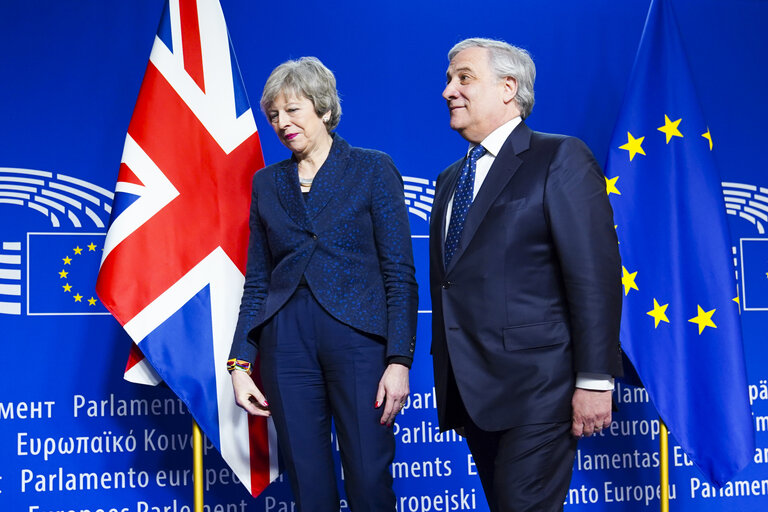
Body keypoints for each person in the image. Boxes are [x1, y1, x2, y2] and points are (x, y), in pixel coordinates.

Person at [429, 38, 622, 512]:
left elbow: (594, 275)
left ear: (508, 87)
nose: (448, 90)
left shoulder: (560, 157)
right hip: (472, 389)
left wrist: (595, 378)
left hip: (540, 389)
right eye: (449, 78)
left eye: (464, 78)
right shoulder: (450, 178)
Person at [228, 56, 418, 511]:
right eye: (274, 115)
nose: (282, 123)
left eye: (293, 110)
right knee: (309, 488)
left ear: (324, 109)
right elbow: (257, 281)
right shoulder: (266, 183)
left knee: (370, 483)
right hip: (285, 345)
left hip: (359, 343)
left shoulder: (373, 168)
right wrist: (239, 363)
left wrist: (399, 359)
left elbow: (400, 273)